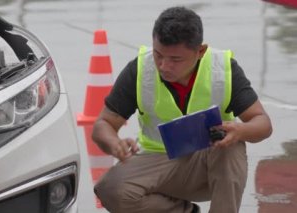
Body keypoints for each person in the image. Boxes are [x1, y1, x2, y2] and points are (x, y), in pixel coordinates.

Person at [91, 6, 272, 213]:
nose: (164, 66)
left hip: (208, 164)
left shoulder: (223, 69)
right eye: (159, 55)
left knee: (232, 146)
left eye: (175, 59)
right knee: (110, 189)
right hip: (157, 159)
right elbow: (102, 125)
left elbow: (262, 123)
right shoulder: (140, 69)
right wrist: (115, 144)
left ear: (200, 52)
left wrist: (239, 131)